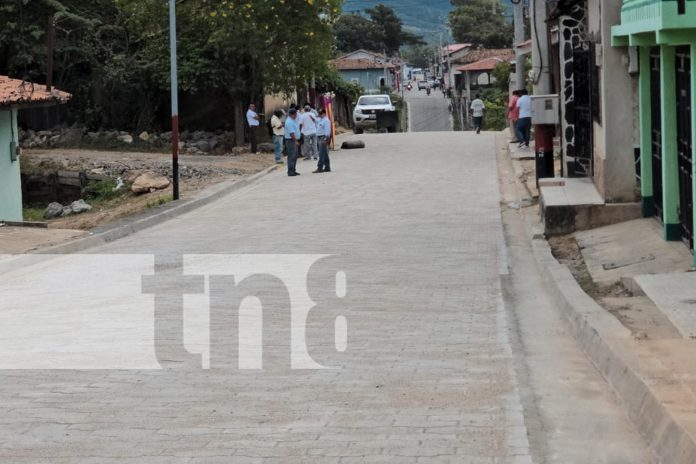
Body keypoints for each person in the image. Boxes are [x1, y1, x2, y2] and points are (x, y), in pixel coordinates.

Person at [284, 108, 301, 176]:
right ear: (293, 114)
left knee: (295, 155)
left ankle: (293, 170)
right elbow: (291, 134)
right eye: (296, 114)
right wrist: (296, 141)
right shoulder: (289, 122)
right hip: (291, 140)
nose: (296, 115)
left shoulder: (292, 120)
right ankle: (290, 171)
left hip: (293, 140)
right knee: (291, 156)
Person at [314, 108, 332, 173]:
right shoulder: (320, 120)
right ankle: (327, 167)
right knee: (324, 153)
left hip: (323, 137)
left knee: (321, 153)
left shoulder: (326, 121)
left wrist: (325, 139)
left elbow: (327, 131)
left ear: (324, 113)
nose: (320, 115)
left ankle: (320, 167)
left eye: (321, 113)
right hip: (319, 137)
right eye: (319, 114)